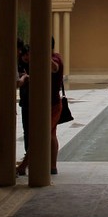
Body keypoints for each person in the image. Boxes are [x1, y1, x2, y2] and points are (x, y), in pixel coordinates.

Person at [16, 45, 30, 176]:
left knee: (34, 131)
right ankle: (28, 154)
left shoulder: (36, 63)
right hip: (25, 101)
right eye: (23, 54)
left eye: (27, 54)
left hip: (34, 102)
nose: (25, 57)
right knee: (27, 130)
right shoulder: (18, 65)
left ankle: (29, 159)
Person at [50, 37, 64, 175]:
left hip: (52, 103)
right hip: (51, 102)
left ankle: (24, 165)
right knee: (51, 134)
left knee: (44, 134)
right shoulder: (56, 56)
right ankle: (52, 166)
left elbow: (55, 67)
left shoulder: (55, 58)